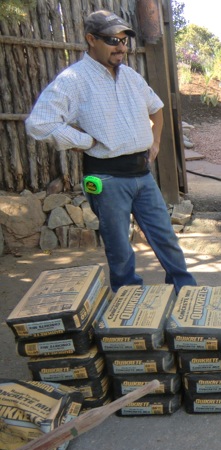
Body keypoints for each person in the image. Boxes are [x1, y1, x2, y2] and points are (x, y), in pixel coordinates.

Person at [25, 10, 196, 294]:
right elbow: (38, 123)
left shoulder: (130, 76)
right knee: (119, 247)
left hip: (142, 173)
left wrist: (154, 144)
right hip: (106, 178)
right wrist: (84, 141)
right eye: (112, 40)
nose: (121, 46)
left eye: (124, 40)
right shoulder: (73, 80)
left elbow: (157, 108)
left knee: (165, 237)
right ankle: (129, 300)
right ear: (91, 39)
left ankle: (185, 289)